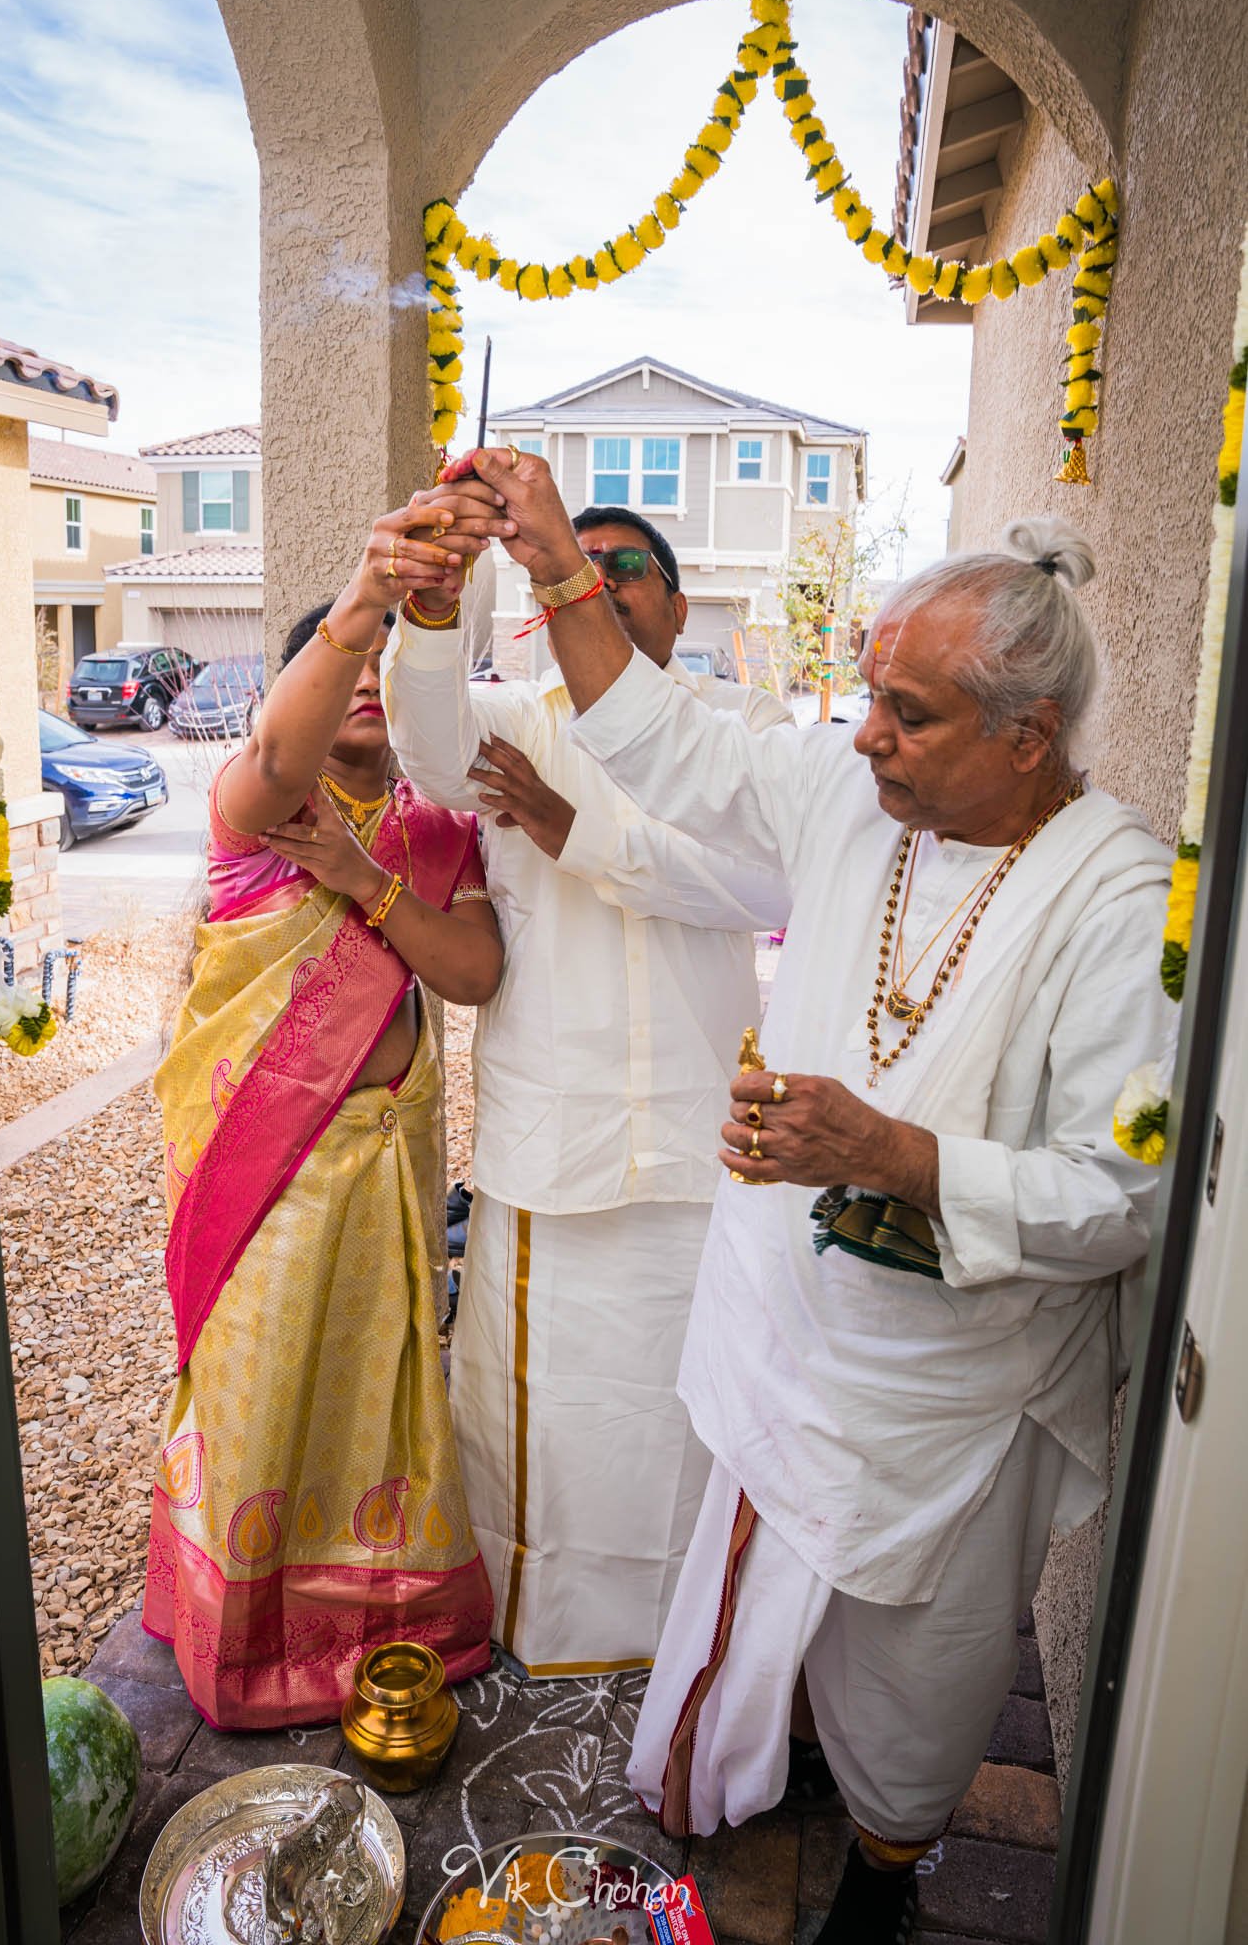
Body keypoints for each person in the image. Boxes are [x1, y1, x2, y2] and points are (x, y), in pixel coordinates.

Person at [457, 444, 1173, 1944]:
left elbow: (1120, 1192)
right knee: (750, 1583)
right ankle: (748, 1755)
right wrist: (554, 566)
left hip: (951, 1391)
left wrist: (893, 1158)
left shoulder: (1115, 900)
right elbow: (666, 740)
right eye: (863, 697)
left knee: (919, 1676)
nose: (863, 741)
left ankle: (888, 1865)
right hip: (787, 1317)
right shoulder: (856, 802)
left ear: (1027, 736)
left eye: (905, 715)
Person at [378, 481, 792, 1678]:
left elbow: (759, 887)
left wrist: (580, 833)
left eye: (627, 570)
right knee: (547, 1416)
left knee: (679, 1415)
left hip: (694, 1149)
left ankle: (684, 1634)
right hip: (548, 1148)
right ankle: (539, 1627)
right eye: (579, 564)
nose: (599, 584)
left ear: (674, 604)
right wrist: (434, 606)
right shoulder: (515, 716)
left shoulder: (741, 724)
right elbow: (425, 738)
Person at [144, 498, 505, 1729]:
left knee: (375, 1400)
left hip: (387, 1171)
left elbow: (470, 972)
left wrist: (359, 876)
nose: (364, 685)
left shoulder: (435, 834)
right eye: (345, 666)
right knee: (263, 1391)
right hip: (271, 1176)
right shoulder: (258, 811)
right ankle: (244, 1650)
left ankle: (368, 1631)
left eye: (384, 669)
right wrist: (365, 596)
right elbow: (287, 755)